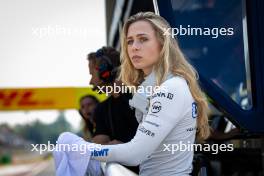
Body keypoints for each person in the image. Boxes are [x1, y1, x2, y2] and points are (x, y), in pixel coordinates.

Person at [55, 12, 210, 176]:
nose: (134, 47)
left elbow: (135, 153)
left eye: (143, 39)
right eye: (130, 41)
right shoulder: (155, 86)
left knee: (66, 139)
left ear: (163, 43)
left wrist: (82, 149)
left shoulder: (170, 88)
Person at [87, 47, 139, 145]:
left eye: (92, 74)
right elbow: (99, 145)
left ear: (104, 72)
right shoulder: (102, 109)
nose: (90, 82)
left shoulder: (142, 97)